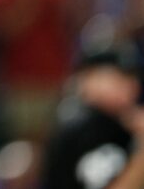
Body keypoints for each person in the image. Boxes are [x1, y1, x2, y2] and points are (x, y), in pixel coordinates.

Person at [41, 46, 144, 189]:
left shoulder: (131, 123)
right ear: (86, 79)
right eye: (115, 77)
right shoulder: (78, 128)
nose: (128, 85)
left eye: (131, 76)